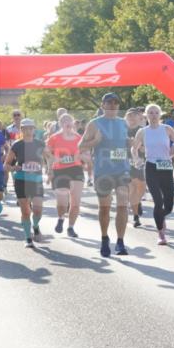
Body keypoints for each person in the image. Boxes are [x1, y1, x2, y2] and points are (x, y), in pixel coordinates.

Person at [80, 93, 133, 257]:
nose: (113, 106)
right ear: (103, 105)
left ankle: (120, 242)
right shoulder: (94, 124)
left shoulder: (123, 123)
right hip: (103, 171)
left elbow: (124, 144)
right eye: (109, 103)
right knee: (105, 208)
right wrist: (95, 142)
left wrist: (129, 144)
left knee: (123, 205)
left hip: (122, 169)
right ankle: (104, 239)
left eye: (116, 103)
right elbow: (81, 146)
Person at [132, 104, 174, 245]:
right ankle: (161, 233)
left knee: (169, 205)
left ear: (160, 115)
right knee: (158, 202)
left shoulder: (166, 129)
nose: (153, 115)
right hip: (151, 167)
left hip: (166, 166)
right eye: (150, 113)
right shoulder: (142, 131)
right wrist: (136, 159)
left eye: (156, 113)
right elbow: (134, 148)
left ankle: (160, 216)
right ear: (146, 116)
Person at [4, 119, 45, 247]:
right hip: (21, 179)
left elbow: (48, 158)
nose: (28, 131)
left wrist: (49, 169)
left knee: (37, 210)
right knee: (26, 211)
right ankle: (28, 238)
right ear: (21, 130)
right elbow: (6, 165)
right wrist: (14, 167)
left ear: (34, 129)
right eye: (25, 128)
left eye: (30, 128)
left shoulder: (40, 144)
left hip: (36, 180)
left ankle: (36, 226)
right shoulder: (17, 145)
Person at [44, 114, 85, 237]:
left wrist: (82, 157)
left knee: (76, 202)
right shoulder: (54, 138)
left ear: (72, 123)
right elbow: (46, 152)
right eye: (64, 121)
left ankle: (71, 227)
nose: (67, 123)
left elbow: (84, 152)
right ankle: (61, 218)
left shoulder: (78, 138)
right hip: (60, 171)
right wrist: (52, 163)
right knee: (62, 202)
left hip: (76, 169)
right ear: (60, 124)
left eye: (69, 120)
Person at [125, 109, 148, 228]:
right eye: (129, 117)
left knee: (142, 188)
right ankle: (135, 216)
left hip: (142, 161)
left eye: (134, 116)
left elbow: (149, 144)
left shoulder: (143, 130)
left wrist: (144, 148)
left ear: (138, 118)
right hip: (127, 162)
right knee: (132, 188)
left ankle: (137, 202)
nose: (132, 119)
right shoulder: (122, 130)